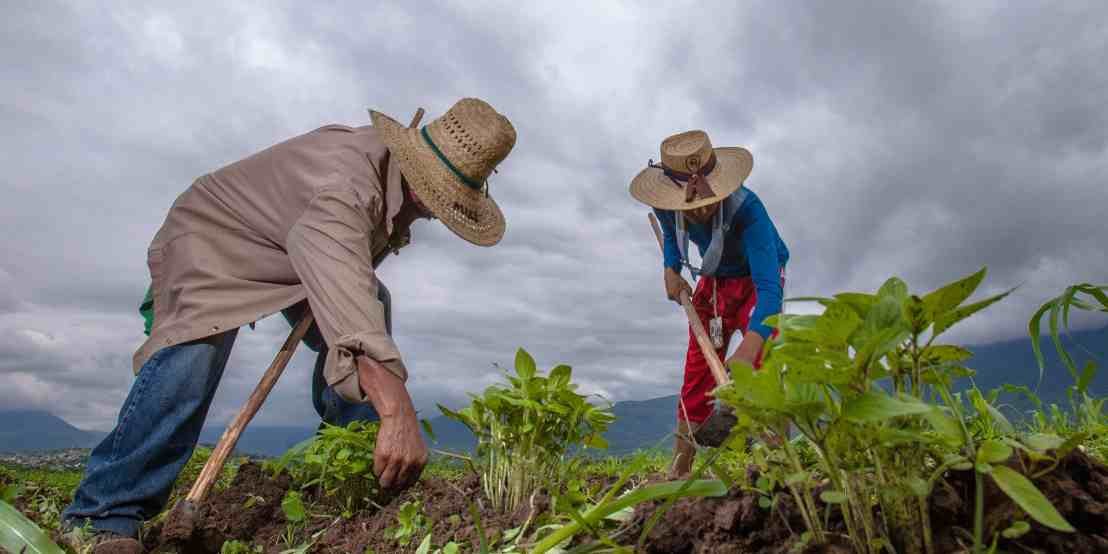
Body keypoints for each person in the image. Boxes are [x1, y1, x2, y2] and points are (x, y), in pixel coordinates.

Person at [62, 98, 517, 553]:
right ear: (421, 186)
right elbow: (350, 305)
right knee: (195, 350)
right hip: (212, 238)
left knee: (373, 302)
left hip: (288, 247)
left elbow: (350, 287)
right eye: (439, 201)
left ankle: (355, 476)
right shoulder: (345, 186)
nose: (437, 213)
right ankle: (104, 515)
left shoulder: (385, 185)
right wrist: (396, 409)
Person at [629, 130, 789, 478]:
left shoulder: (749, 211)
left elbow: (769, 291)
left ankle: (782, 467)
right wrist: (671, 267)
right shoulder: (667, 204)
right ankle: (680, 468)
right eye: (689, 203)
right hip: (715, 279)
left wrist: (750, 346)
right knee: (698, 369)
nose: (699, 210)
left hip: (755, 281)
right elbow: (672, 235)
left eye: (705, 200)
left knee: (766, 363)